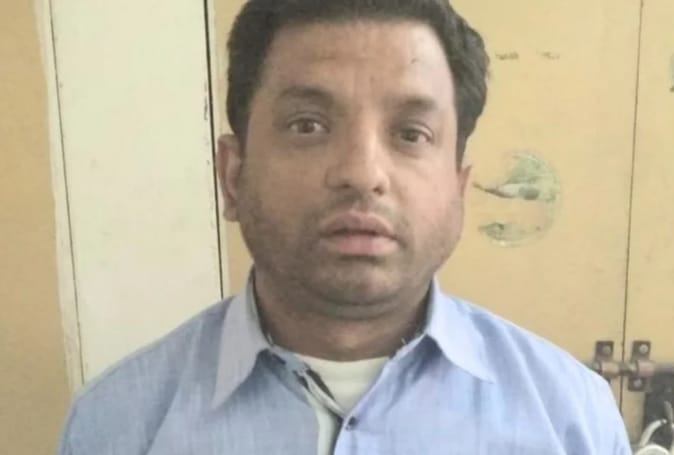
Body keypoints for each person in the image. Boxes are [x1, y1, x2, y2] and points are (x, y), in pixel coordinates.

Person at [57, 0, 632, 453]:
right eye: (307, 125)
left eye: (411, 133)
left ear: (458, 190)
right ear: (233, 175)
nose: (362, 174)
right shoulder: (119, 425)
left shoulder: (570, 419)